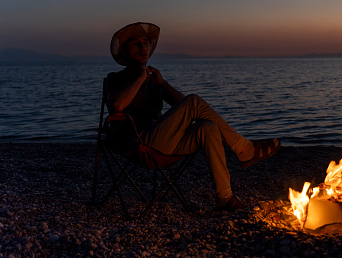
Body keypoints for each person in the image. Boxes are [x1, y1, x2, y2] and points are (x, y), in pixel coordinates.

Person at [105, 22, 281, 211]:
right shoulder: (116, 78)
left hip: (161, 143)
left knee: (208, 128)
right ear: (124, 51)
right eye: (136, 43)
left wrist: (163, 84)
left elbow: (187, 107)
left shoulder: (154, 80)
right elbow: (116, 106)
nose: (142, 47)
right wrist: (139, 78)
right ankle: (244, 149)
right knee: (194, 102)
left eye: (146, 43)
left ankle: (224, 197)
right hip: (138, 143)